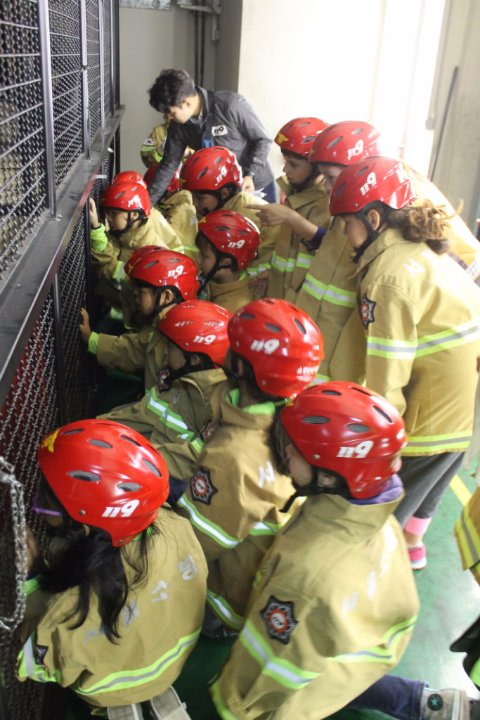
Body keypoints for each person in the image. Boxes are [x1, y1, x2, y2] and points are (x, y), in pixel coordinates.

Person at [210, 381, 420, 720]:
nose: (284, 454)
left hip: (303, 690)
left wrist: (233, 703)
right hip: (357, 652)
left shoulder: (306, 575)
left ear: (330, 475)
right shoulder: (373, 511)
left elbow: (269, 664)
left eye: (294, 451)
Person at [328, 155, 480, 569]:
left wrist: (382, 447)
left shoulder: (388, 277)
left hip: (431, 420)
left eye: (346, 222)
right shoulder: (419, 251)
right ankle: (410, 551)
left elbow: (386, 380)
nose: (343, 233)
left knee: (378, 524)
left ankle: (365, 580)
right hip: (462, 413)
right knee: (425, 496)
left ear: (374, 219)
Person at [17, 419, 207, 720]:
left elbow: (39, 665)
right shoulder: (177, 526)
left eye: (46, 503)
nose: (39, 508)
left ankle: (120, 700)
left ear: (85, 528)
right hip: (175, 662)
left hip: (110, 690)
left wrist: (31, 579)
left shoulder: (71, 608)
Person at [177, 299, 323, 635]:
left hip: (221, 600)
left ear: (242, 369)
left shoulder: (233, 455)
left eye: (233, 346)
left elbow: (196, 544)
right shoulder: (294, 421)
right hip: (249, 574)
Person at [98, 299, 231, 501]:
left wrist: (130, 458)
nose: (166, 351)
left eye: (171, 347)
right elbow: (142, 417)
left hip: (163, 481)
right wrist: (100, 431)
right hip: (148, 463)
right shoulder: (184, 382)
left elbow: (191, 464)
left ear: (194, 359)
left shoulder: (213, 403)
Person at [147, 68, 275, 205]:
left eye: (171, 113)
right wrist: (146, 205)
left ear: (187, 103)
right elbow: (168, 166)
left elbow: (263, 140)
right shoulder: (177, 126)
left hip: (255, 186)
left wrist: (250, 175)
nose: (167, 118)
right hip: (223, 194)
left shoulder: (231, 105)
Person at [80, 246, 199, 391]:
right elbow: (132, 349)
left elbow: (133, 350)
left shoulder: (178, 342)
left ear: (166, 297)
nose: (135, 295)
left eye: (141, 291)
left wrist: (91, 340)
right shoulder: (161, 328)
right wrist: (90, 339)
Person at [247, 116, 330, 300]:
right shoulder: (295, 196)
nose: (285, 170)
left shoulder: (327, 206)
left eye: (294, 164)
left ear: (317, 167)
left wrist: (291, 217)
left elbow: (331, 251)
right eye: (285, 161)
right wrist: (273, 275)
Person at [180, 145, 280, 280]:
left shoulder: (258, 216)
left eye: (200, 198)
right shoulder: (209, 212)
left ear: (224, 193)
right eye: (191, 196)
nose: (194, 203)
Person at [90, 176, 182, 309]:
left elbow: (123, 279)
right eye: (107, 213)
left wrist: (96, 228)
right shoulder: (126, 235)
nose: (108, 218)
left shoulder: (150, 250)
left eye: (114, 214)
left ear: (134, 215)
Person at [195, 209, 261, 312]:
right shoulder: (213, 282)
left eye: (204, 256)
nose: (198, 259)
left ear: (227, 262)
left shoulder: (231, 310)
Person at [144, 165, 198, 261]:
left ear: (164, 191)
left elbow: (165, 239)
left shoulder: (179, 211)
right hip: (186, 261)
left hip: (182, 261)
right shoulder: (183, 206)